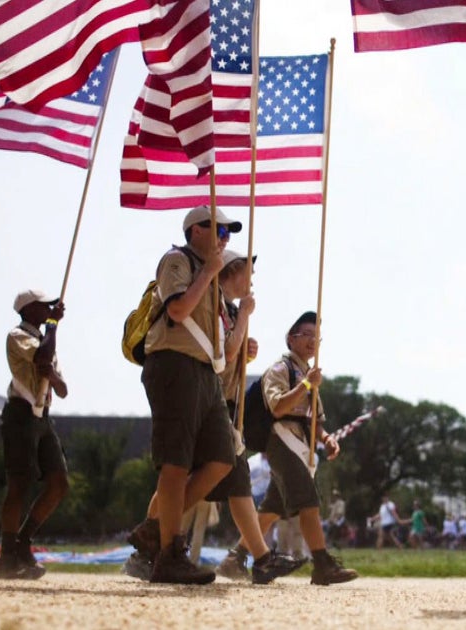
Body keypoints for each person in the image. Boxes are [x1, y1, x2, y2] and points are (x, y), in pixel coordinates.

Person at [125, 205, 240, 585]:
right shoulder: (178, 260)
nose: (225, 239)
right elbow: (177, 310)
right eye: (219, 230)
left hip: (205, 374)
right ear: (195, 231)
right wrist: (208, 271)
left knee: (222, 459)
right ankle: (170, 553)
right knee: (175, 464)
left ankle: (153, 528)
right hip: (173, 365)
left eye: (228, 233)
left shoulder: (214, 280)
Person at [192, 249, 305, 584]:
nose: (252, 281)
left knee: (237, 479)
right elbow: (224, 353)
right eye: (247, 273)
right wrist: (244, 317)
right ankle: (152, 536)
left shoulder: (226, 308)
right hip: (209, 402)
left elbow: (230, 360)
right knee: (186, 477)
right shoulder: (216, 305)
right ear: (232, 272)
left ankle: (260, 558)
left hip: (226, 404)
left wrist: (245, 352)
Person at [230, 311, 358, 585]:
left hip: (301, 444)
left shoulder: (309, 376)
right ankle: (322, 564)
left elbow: (315, 421)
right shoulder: (282, 370)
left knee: (273, 507)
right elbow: (278, 406)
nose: (313, 341)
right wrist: (306, 384)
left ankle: (236, 556)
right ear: (291, 339)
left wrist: (326, 439)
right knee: (308, 501)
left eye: (317, 337)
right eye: (307, 335)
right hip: (280, 441)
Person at [0, 290, 69, 580]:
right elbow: (41, 359)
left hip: (42, 416)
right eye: (43, 304)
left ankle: (23, 541)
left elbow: (60, 386)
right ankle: (7, 554)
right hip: (20, 413)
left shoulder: (43, 338)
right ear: (28, 310)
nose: (50, 306)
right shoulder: (18, 335)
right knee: (19, 484)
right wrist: (53, 326)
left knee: (58, 483)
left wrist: (52, 370)